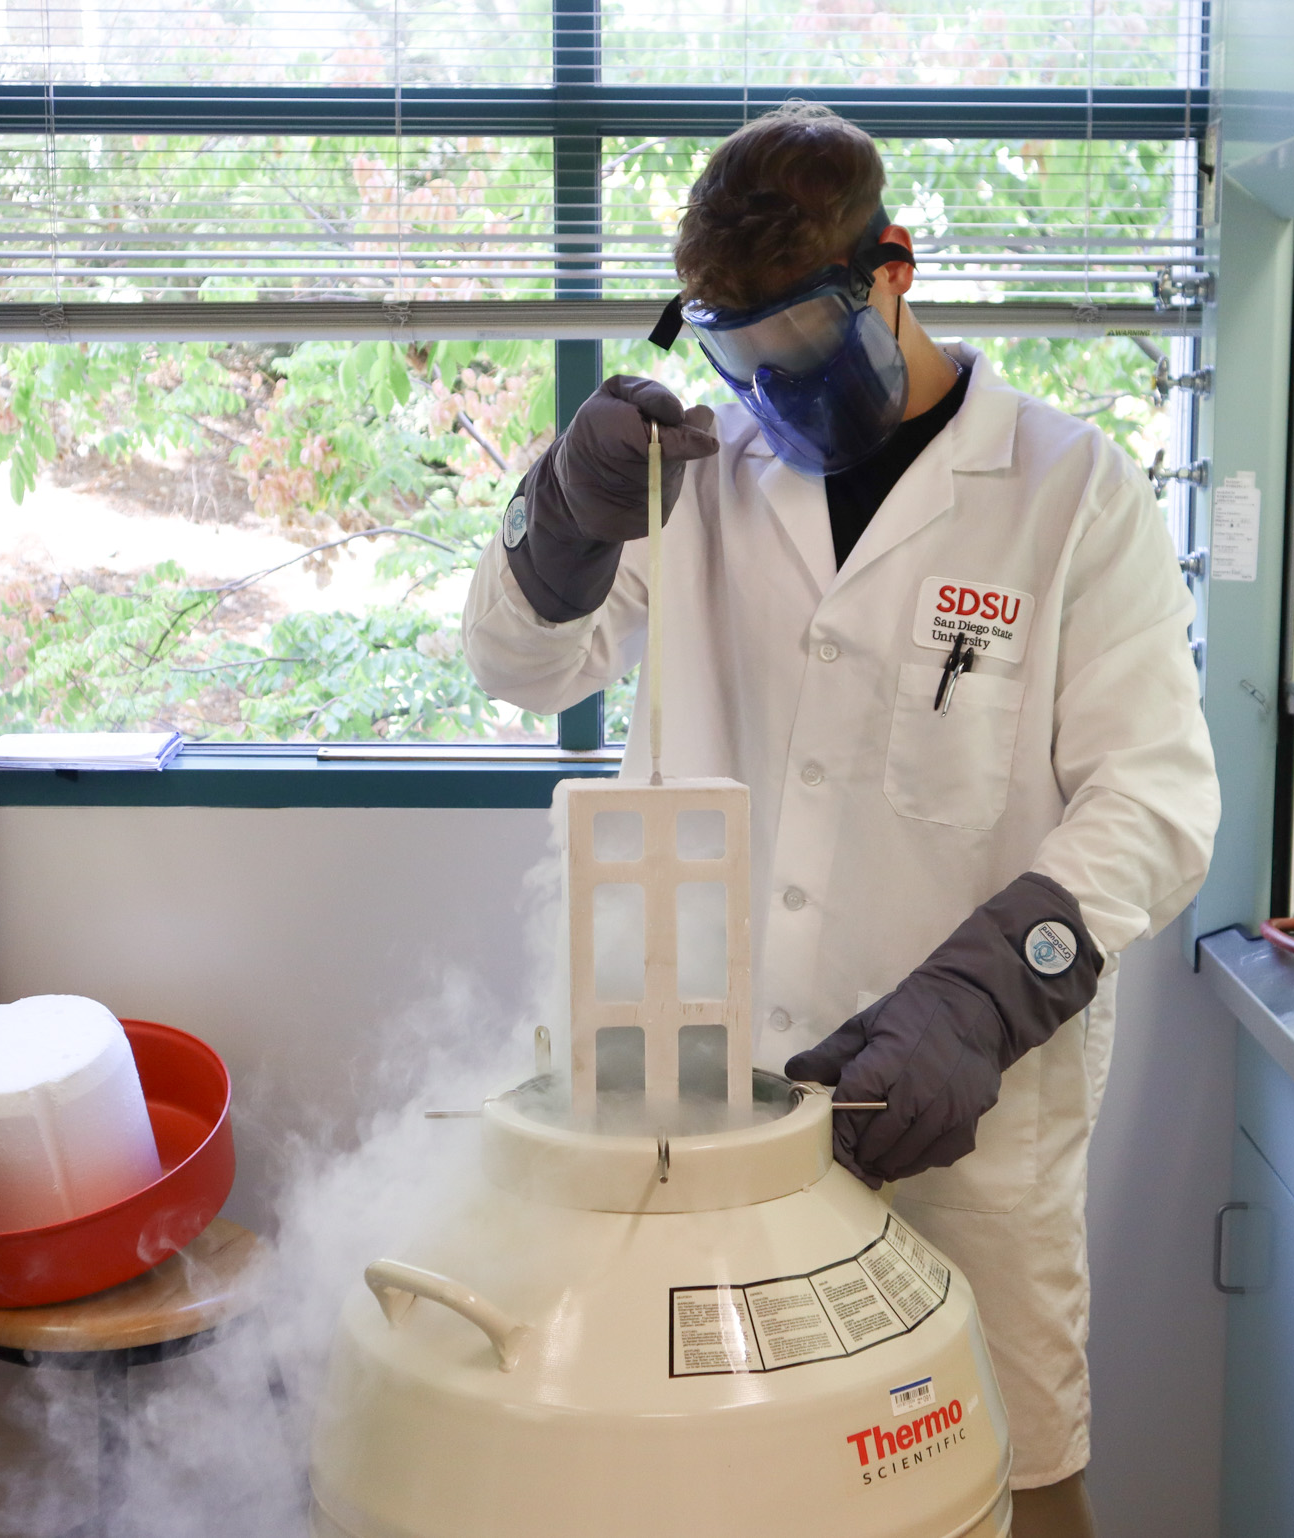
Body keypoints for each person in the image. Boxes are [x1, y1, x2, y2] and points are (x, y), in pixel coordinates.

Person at [462, 102, 1218, 1537]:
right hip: (711, 1102)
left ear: (891, 273)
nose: (770, 395)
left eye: (799, 347)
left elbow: (1160, 800)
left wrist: (982, 1000)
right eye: (737, 355)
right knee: (718, 1476)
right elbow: (522, 664)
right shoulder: (698, 485)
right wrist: (564, 509)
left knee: (1013, 1468)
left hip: (964, 1118)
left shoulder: (1068, 492)